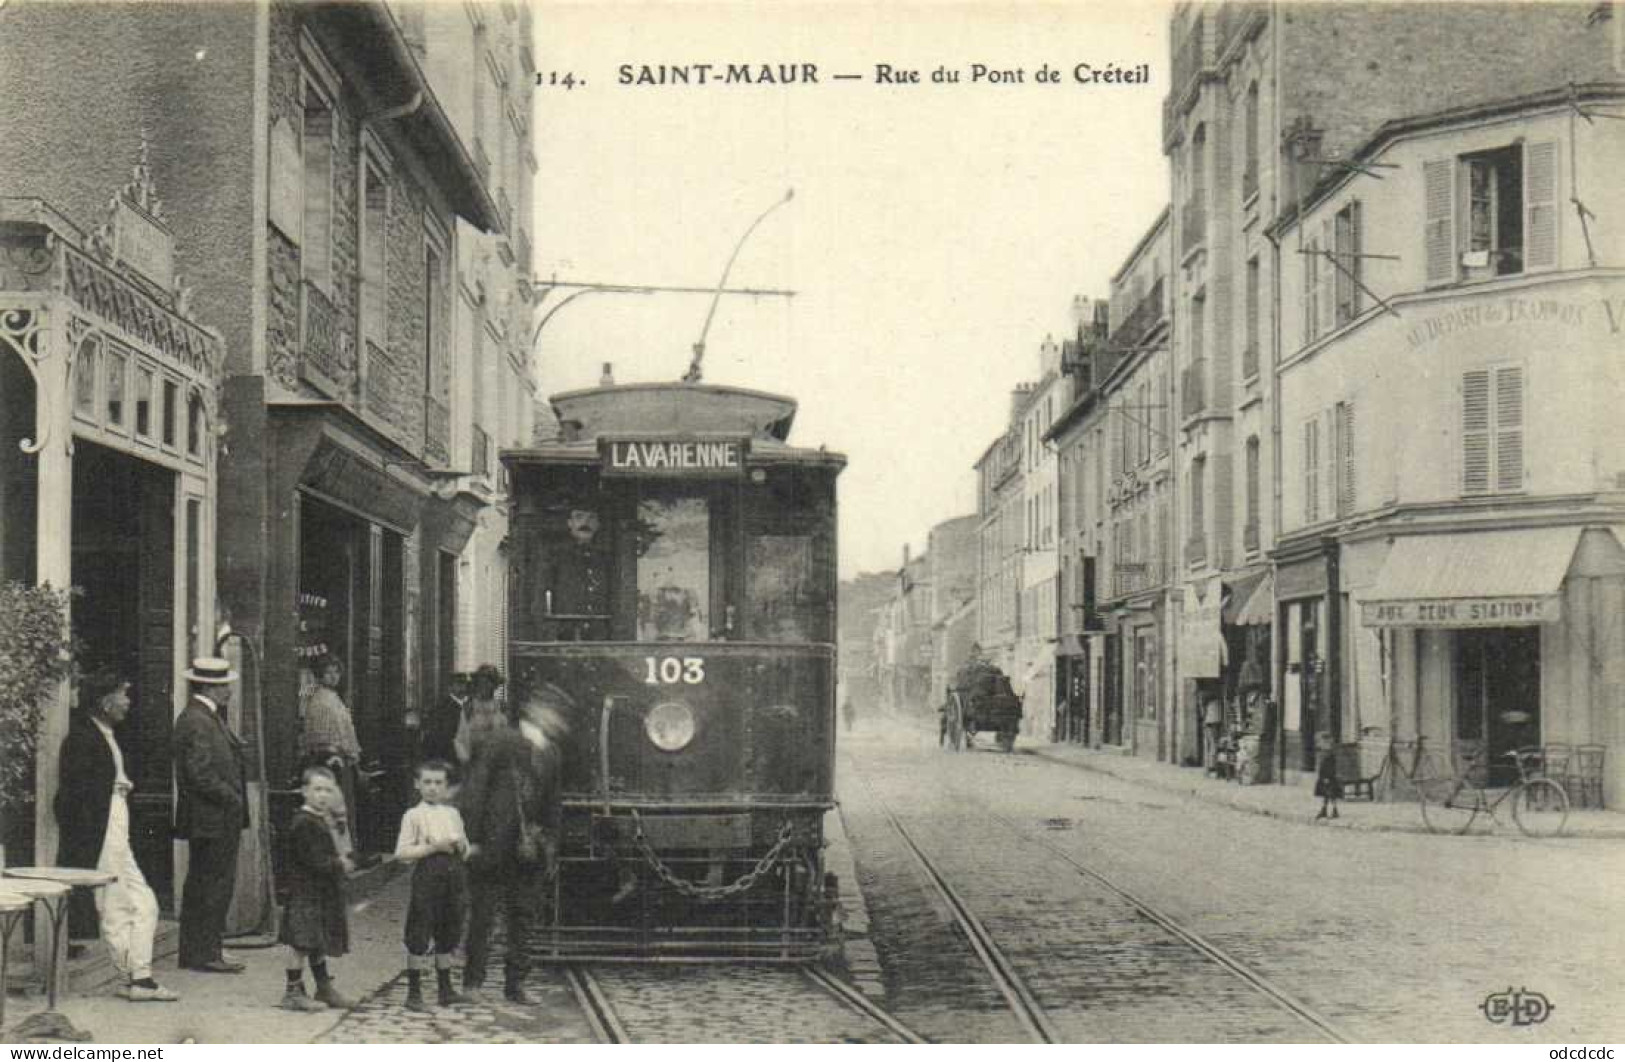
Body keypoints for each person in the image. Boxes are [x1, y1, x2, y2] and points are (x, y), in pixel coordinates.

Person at [54, 669, 178, 1002]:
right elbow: (72, 796)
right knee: (120, 903)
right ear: (105, 701)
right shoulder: (82, 739)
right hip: (103, 827)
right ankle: (138, 978)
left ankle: (136, 976)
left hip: (114, 823)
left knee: (137, 902)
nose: (127, 702)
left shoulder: (104, 735)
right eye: (123, 694)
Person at [458, 684, 568, 1003]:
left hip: (528, 847)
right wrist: (472, 839)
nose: (555, 721)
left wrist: (549, 842)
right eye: (551, 713)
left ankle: (516, 984)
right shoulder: (500, 741)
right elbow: (475, 792)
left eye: (558, 716)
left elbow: (553, 803)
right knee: (484, 915)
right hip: (492, 845)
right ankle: (473, 983)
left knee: (523, 916)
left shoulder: (551, 753)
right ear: (534, 711)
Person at [172, 656, 249, 974]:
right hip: (211, 819)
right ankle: (203, 953)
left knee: (209, 884)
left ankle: (206, 949)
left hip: (214, 819)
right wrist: (231, 798)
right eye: (223, 686)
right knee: (210, 886)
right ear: (208, 687)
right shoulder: (196, 720)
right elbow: (199, 773)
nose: (229, 691)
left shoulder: (206, 717)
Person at [394, 759, 471, 1013]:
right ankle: (414, 993)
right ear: (417, 784)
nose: (433, 788)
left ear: (447, 787)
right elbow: (402, 853)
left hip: (453, 876)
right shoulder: (413, 816)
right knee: (420, 929)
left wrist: (462, 847)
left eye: (438, 783)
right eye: (427, 782)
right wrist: (432, 847)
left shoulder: (453, 814)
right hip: (427, 876)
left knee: (449, 928)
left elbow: (466, 847)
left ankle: (445, 989)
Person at [277, 765, 355, 1011]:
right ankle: (292, 991)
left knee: (317, 940)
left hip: (320, 892)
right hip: (304, 892)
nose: (323, 795)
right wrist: (338, 863)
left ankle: (323, 987)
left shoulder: (321, 820)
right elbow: (313, 859)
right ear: (304, 791)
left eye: (328, 790)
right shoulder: (303, 822)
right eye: (317, 789)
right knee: (300, 942)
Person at [300, 655, 362, 855]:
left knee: (341, 806)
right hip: (328, 761)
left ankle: (344, 851)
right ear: (320, 675)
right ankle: (335, 852)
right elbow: (320, 736)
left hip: (340, 760)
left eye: (336, 672)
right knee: (332, 806)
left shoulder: (334, 698)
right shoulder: (319, 700)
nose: (334, 676)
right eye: (328, 672)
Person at [453, 664, 506, 768]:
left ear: (495, 686)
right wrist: (465, 760)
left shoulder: (502, 707)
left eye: (489, 682)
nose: (485, 686)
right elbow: (460, 738)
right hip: (474, 761)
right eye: (482, 682)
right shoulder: (469, 706)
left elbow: (508, 735)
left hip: (497, 762)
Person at [423, 671, 472, 768]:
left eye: (465, 684)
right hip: (450, 757)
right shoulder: (441, 708)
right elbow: (438, 737)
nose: (462, 687)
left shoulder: (474, 705)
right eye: (458, 684)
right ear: (450, 687)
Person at [1314, 730, 1343, 821]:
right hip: (1324, 777)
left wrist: (1327, 777)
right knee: (1326, 794)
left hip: (1328, 778)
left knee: (1331, 794)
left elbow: (1330, 768)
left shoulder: (1329, 755)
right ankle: (1325, 809)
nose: (1319, 744)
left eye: (1320, 742)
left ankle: (1334, 810)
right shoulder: (1324, 753)